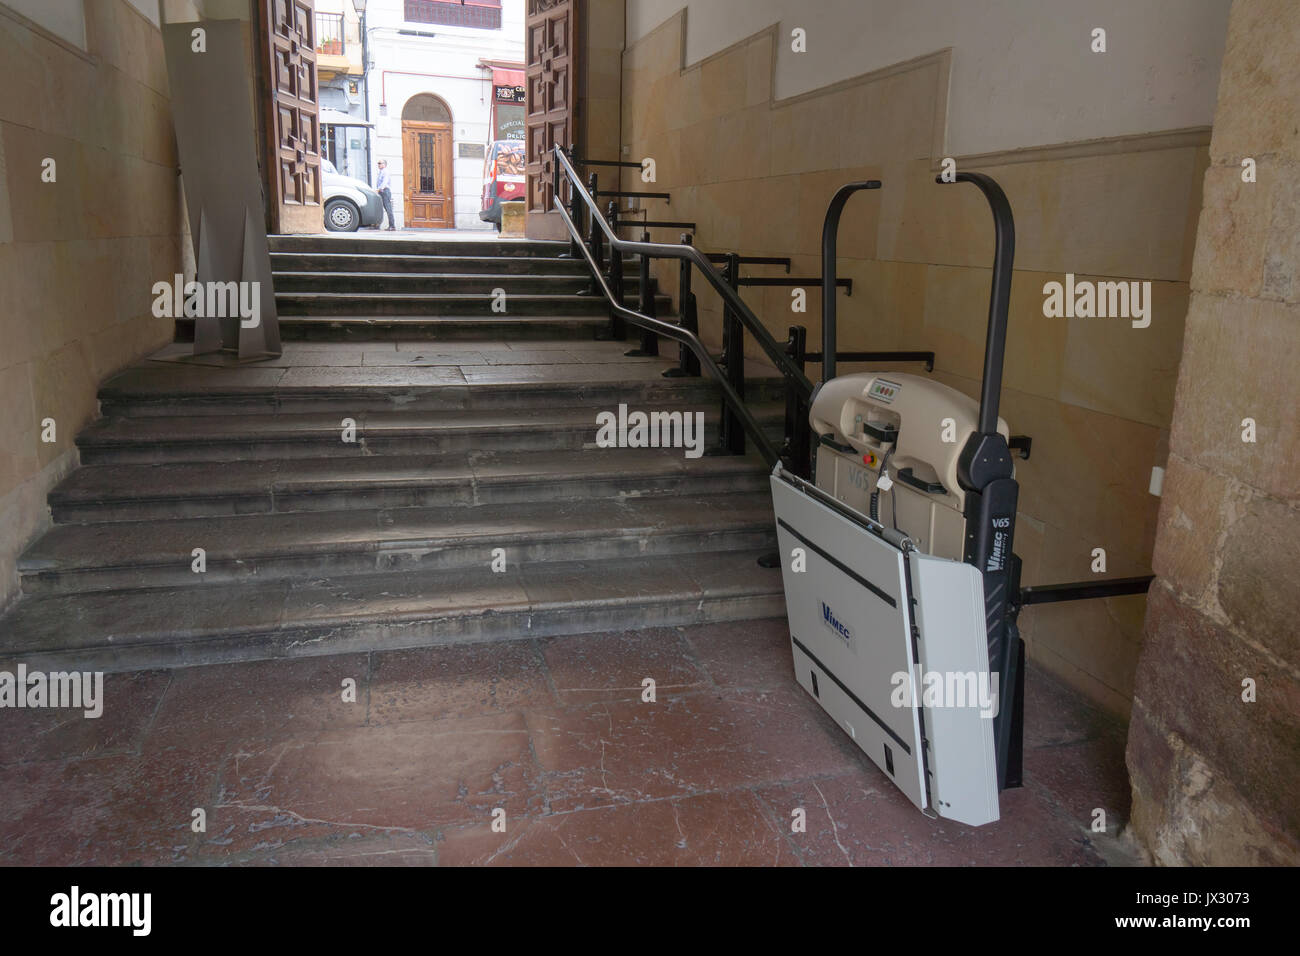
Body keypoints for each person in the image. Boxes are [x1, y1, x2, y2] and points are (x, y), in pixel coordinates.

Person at [376, 159, 396, 230]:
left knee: (388, 208)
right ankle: (377, 225)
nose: (378, 164)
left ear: (384, 164)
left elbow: (385, 182)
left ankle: (392, 226)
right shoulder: (381, 172)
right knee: (380, 208)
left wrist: (378, 189)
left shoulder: (385, 172)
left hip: (385, 191)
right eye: (378, 163)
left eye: (380, 163)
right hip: (381, 191)